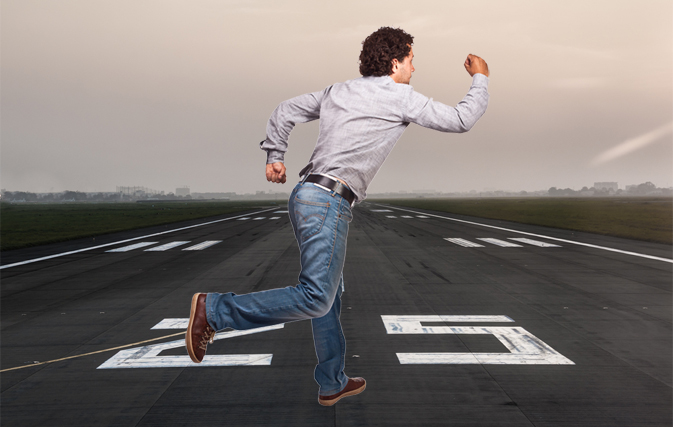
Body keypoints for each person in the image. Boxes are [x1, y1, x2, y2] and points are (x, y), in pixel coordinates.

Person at [186, 26, 489, 406]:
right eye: (411, 59)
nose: (415, 66)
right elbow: (461, 119)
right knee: (316, 297)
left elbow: (285, 110)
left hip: (308, 197)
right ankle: (214, 310)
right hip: (327, 201)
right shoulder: (400, 96)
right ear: (395, 62)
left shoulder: (337, 91)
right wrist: (480, 77)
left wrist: (275, 156)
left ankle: (332, 380)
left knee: (330, 294)